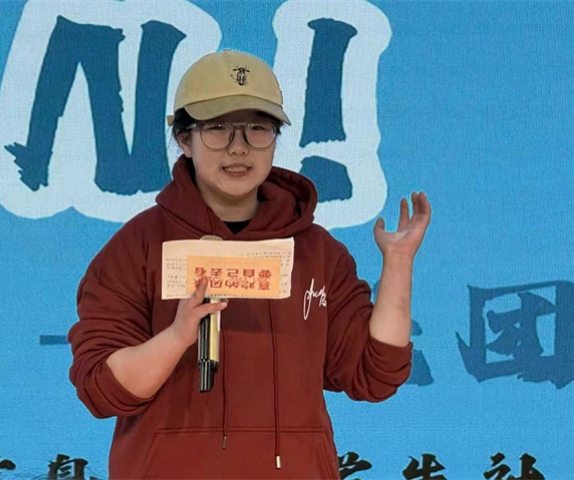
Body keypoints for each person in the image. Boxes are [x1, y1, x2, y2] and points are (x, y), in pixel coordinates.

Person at [68, 49, 431, 479]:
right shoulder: (137, 248)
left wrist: (399, 263)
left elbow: (375, 373)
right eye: (217, 128)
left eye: (258, 128)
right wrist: (177, 337)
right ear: (184, 139)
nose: (238, 147)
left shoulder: (318, 252)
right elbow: (101, 389)